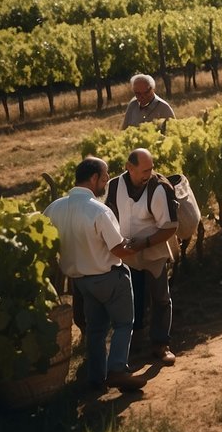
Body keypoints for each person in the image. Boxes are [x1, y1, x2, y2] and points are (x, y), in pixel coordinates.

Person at [44, 157, 146, 393]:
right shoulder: (99, 210)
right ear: (93, 179)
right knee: (123, 324)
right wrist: (139, 244)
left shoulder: (54, 208)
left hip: (81, 283)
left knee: (96, 330)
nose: (107, 180)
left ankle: (96, 379)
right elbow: (118, 249)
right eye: (105, 175)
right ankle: (118, 370)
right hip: (110, 278)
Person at [106, 148, 178, 365]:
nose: (149, 174)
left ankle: (160, 344)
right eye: (144, 170)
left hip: (153, 250)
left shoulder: (160, 187)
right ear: (129, 168)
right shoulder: (114, 186)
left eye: (151, 168)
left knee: (160, 298)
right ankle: (134, 342)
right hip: (127, 253)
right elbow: (108, 217)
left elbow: (170, 228)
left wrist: (145, 243)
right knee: (131, 297)